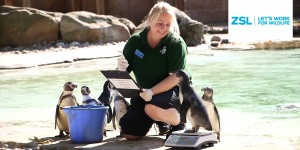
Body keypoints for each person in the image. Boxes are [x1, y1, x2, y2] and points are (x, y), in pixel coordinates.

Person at [118, 1, 191, 140]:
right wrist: (120, 70)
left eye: (168, 25)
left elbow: (176, 77)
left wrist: (152, 92)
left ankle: (178, 122)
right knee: (129, 133)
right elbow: (123, 75)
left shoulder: (176, 43)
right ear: (150, 20)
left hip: (173, 90)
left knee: (151, 108)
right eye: (160, 23)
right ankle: (158, 120)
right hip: (145, 92)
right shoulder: (135, 41)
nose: (164, 28)